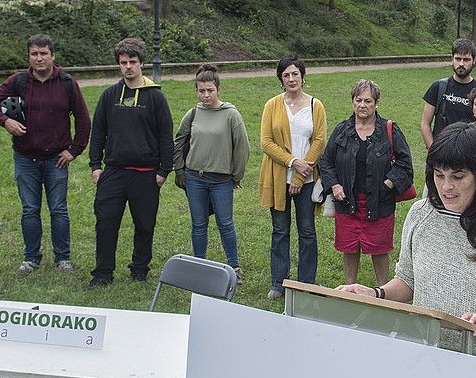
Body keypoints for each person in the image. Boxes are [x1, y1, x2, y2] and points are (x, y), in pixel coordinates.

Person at [337, 123, 476, 362]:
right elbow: (408, 281)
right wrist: (375, 293)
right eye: (439, 175)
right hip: (426, 355)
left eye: (458, 177)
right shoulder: (420, 214)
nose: (447, 187)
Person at [0, 34, 91, 275]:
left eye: (43, 53)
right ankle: (31, 258)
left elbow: (83, 119)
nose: (39, 58)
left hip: (56, 159)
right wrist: (5, 121)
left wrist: (74, 150)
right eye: (34, 54)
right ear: (29, 56)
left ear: (53, 56)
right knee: (30, 209)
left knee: (59, 209)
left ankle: (63, 259)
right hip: (25, 157)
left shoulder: (67, 83)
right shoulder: (18, 81)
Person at [87, 38, 174, 288]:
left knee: (145, 225)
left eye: (132, 62)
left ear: (142, 63)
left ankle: (139, 269)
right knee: (106, 224)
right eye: (123, 62)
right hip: (113, 173)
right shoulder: (109, 95)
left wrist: (163, 171)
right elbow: (98, 132)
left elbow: (166, 136)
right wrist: (95, 166)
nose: (128, 67)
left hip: (146, 174)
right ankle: (102, 273)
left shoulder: (155, 97)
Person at [319, 79, 414, 285]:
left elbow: (405, 164)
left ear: (376, 103)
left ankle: (384, 291)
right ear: (353, 102)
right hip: (347, 201)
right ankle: (350, 287)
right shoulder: (342, 130)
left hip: (379, 202)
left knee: (379, 248)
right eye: (358, 100)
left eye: (368, 101)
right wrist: (334, 185)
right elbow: (326, 161)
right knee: (349, 247)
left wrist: (388, 184)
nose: (363, 105)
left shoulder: (389, 130)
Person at [259, 57, 327, 300]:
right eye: (286, 75)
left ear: (302, 76)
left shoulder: (315, 106)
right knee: (280, 230)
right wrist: (291, 161)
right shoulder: (272, 105)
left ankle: (306, 283)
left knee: (307, 231)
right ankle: (279, 282)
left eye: (295, 74)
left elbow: (319, 141)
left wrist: (299, 175)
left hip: (306, 180)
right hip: (278, 177)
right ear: (281, 79)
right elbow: (266, 142)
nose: (291, 79)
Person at [173, 64, 249, 279]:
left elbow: (242, 146)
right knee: (198, 223)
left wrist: (237, 174)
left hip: (221, 180)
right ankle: (199, 263)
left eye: (210, 90)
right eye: (201, 90)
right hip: (195, 177)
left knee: (225, 223)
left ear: (218, 90)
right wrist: (179, 169)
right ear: (196, 91)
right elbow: (179, 141)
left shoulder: (231, 115)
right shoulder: (193, 113)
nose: (206, 95)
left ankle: (234, 266)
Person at [420, 38, 476, 149]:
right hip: (440, 154)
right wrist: (433, 151)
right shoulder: (438, 87)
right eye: (458, 59)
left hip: (468, 155)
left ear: (474, 61)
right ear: (452, 59)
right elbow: (425, 124)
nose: (461, 64)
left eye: (466, 60)